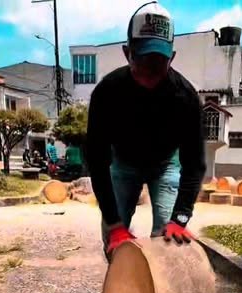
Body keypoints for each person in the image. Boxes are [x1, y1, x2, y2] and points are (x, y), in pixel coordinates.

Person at [87, 1, 205, 257]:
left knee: (169, 239)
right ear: (127, 52)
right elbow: (97, 159)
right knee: (113, 235)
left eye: (158, 64)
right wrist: (115, 223)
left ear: (171, 58)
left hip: (164, 164)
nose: (150, 74)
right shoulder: (107, 92)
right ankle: (122, 289)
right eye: (143, 62)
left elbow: (194, 164)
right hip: (123, 162)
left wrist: (180, 218)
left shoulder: (186, 98)